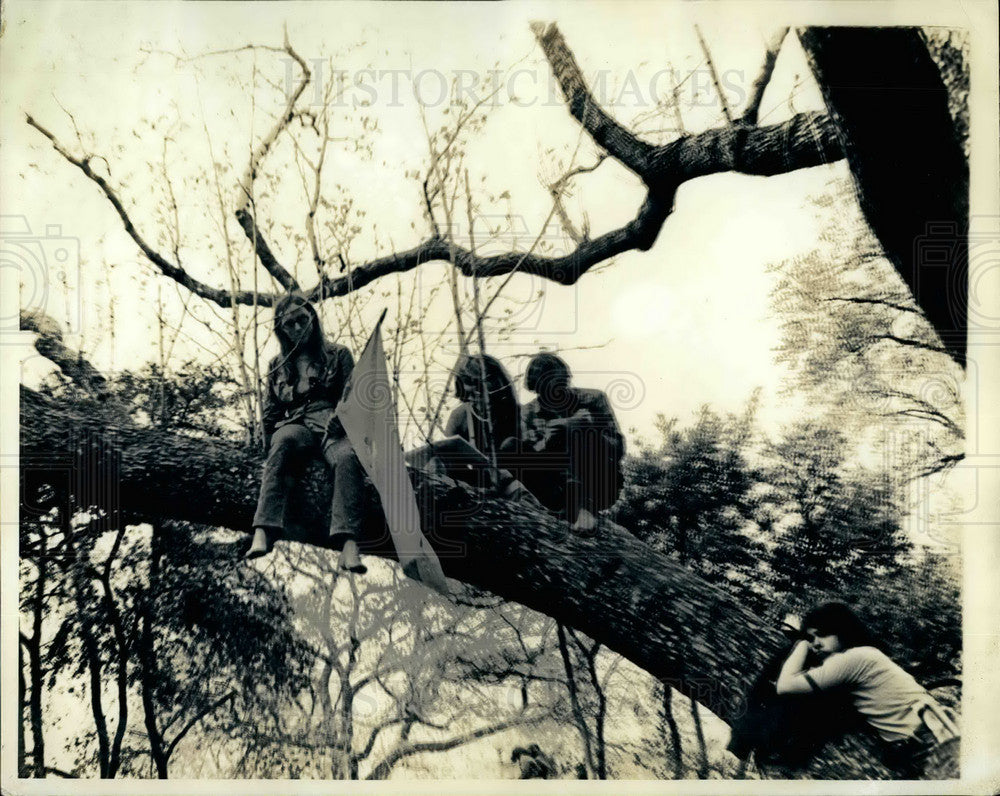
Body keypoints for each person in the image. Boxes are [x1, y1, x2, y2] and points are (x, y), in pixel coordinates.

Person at [246, 293, 367, 573]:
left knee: (348, 457)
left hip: (330, 426)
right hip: (295, 424)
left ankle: (349, 544)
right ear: (281, 329)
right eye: (290, 324)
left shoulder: (339, 354)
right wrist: (263, 440)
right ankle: (263, 529)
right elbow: (271, 412)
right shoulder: (277, 365)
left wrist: (343, 419)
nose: (298, 327)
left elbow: (354, 401)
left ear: (312, 318)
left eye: (302, 319)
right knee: (283, 441)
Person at [775, 602, 959, 777]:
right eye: (811, 638)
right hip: (936, 733)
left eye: (821, 634)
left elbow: (784, 686)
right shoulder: (867, 654)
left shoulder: (852, 659)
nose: (815, 643)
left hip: (929, 742)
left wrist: (801, 642)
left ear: (841, 630)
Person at [502, 353, 625, 535]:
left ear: (566, 381)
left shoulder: (593, 399)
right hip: (554, 487)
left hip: (598, 483)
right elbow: (530, 455)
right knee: (509, 446)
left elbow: (618, 449)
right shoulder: (528, 412)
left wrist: (586, 427)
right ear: (536, 389)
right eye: (546, 392)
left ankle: (584, 510)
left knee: (578, 428)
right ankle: (548, 504)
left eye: (559, 387)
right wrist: (546, 443)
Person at [405, 354, 530, 499]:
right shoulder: (460, 415)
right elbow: (450, 453)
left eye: (477, 394)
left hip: (510, 481)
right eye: (468, 395)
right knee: (436, 462)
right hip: (473, 480)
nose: (472, 399)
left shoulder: (516, 413)